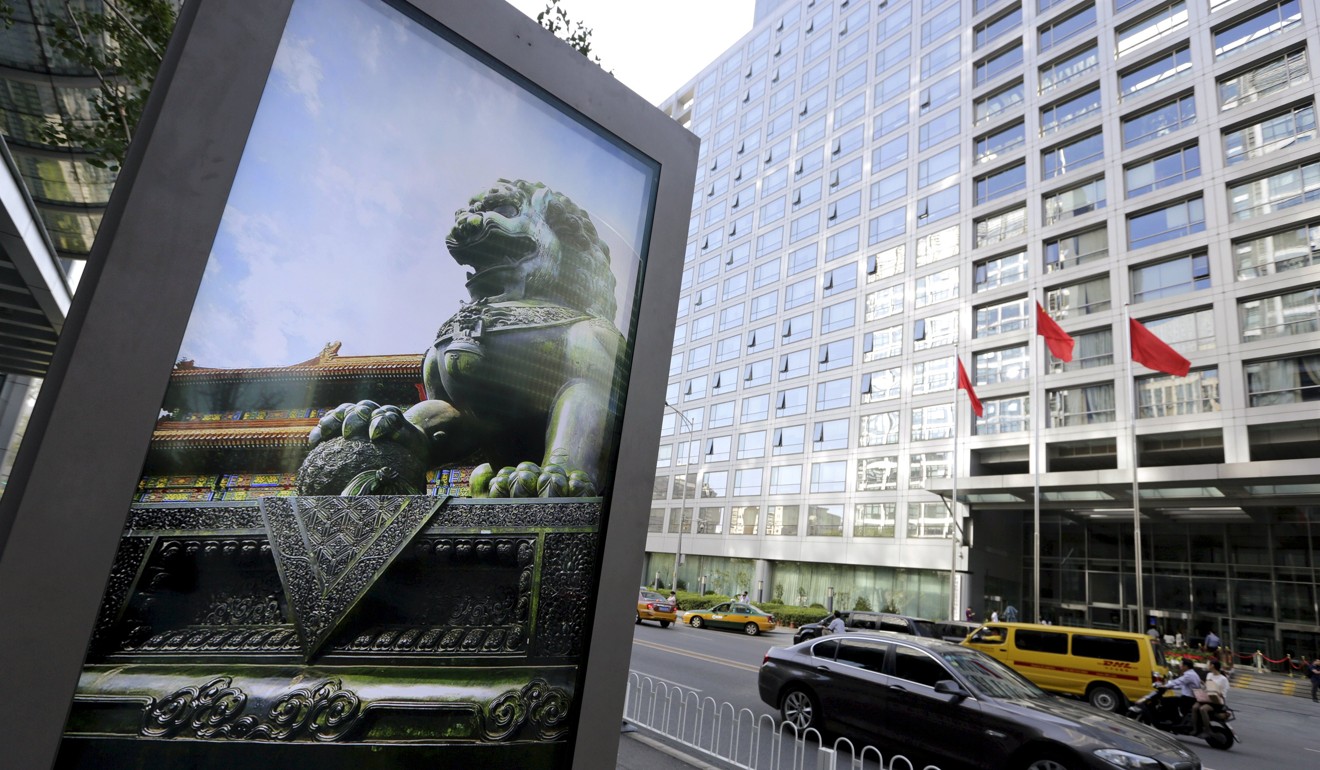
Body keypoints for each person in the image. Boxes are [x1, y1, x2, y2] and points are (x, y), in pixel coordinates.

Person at [1194, 658, 1229, 739]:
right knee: (1194, 707)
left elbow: (1224, 693)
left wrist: (1216, 692)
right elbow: (1206, 688)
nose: (1207, 666)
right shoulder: (1209, 675)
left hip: (1216, 702)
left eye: (1208, 664)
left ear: (1212, 666)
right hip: (1207, 698)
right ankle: (1196, 729)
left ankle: (1208, 730)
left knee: (1203, 709)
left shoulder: (1223, 679)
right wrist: (1203, 685)